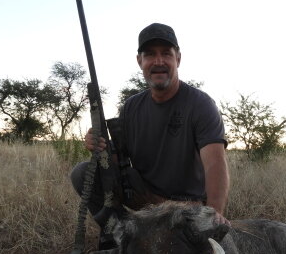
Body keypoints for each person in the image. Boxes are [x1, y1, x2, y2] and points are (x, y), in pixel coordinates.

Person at [70, 23, 230, 237]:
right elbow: (118, 164)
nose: (158, 62)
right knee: (82, 173)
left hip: (186, 207)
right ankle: (120, 234)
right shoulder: (130, 107)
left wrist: (215, 213)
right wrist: (100, 147)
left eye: (166, 54)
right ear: (140, 61)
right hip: (145, 200)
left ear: (178, 59)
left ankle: (144, 234)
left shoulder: (201, 104)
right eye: (150, 55)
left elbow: (215, 164)